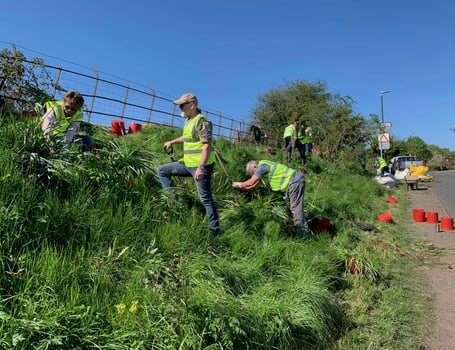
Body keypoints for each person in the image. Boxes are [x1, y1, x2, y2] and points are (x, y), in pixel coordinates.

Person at [157, 93, 221, 236]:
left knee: (205, 198)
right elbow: (187, 137)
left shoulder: (202, 122)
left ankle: (215, 232)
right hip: (187, 164)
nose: (180, 108)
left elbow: (207, 147)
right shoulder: (189, 121)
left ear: (192, 105)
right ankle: (175, 205)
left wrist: (201, 168)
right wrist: (172, 141)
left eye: (182, 105)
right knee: (162, 171)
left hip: (200, 166)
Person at [232, 160, 308, 231]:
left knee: (295, 207)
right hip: (293, 182)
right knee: (294, 207)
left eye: (253, 173)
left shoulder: (262, 167)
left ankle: (301, 230)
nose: (253, 175)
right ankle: (301, 228)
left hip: (294, 181)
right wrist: (240, 189)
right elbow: (252, 186)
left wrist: (237, 184)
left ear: (255, 167)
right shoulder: (263, 169)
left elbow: (251, 182)